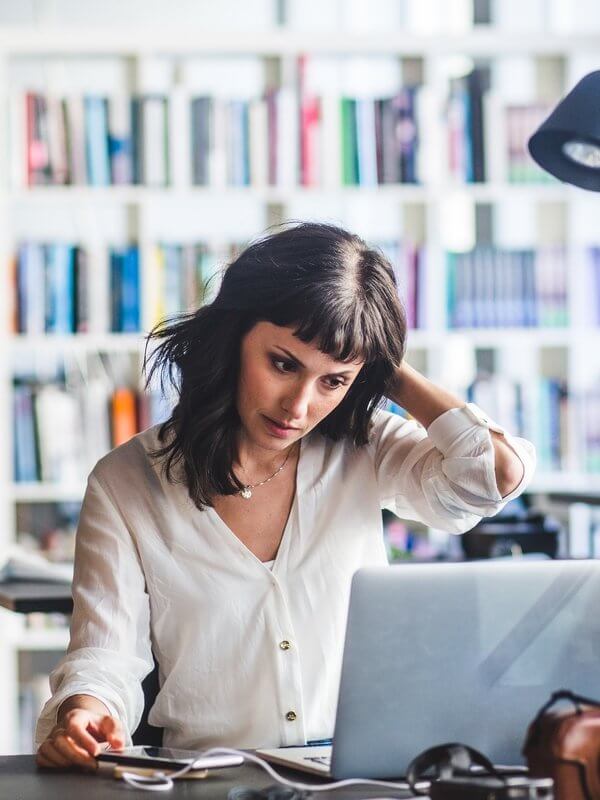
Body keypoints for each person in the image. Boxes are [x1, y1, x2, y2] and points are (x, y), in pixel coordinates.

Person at [35, 222, 535, 771]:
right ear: (233, 337)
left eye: (334, 381)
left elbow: (491, 475)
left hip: (360, 775)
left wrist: (381, 365)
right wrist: (84, 710)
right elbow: (105, 655)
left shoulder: (363, 445)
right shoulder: (126, 482)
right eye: (283, 364)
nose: (299, 405)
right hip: (214, 779)